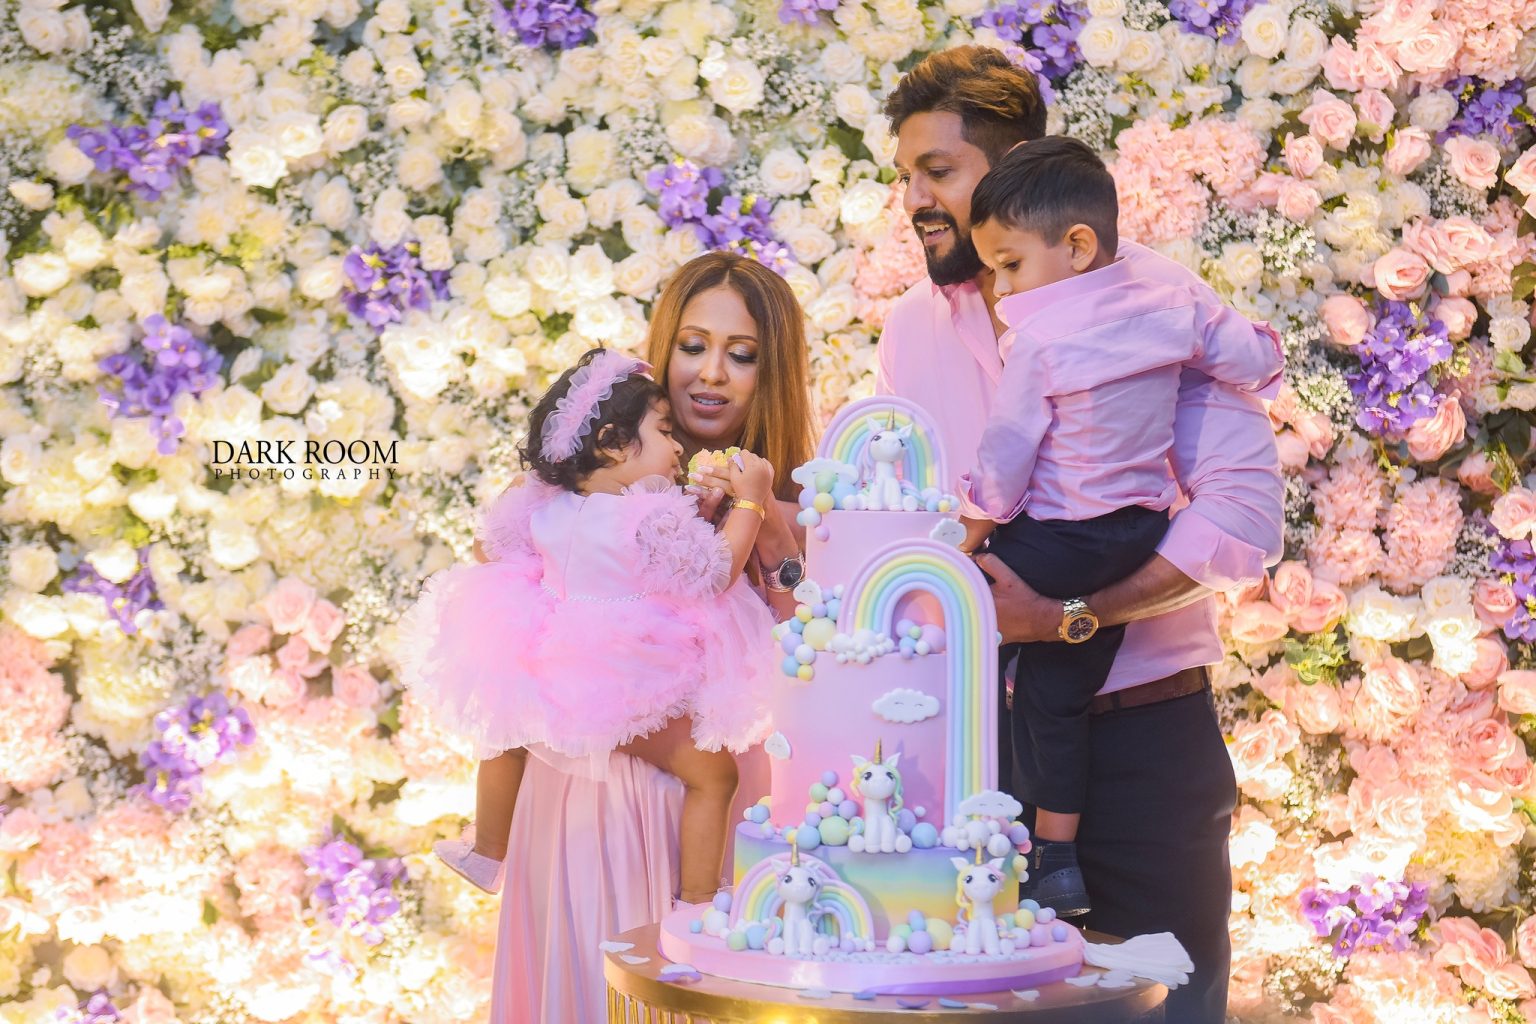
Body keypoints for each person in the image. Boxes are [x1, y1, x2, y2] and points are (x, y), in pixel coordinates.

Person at [878, 45, 1283, 1024]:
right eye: (906, 177)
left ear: (1019, 168)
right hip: (978, 756)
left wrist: (1072, 611)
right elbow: (912, 523)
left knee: (1168, 1008)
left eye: (938, 172)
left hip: (1143, 743)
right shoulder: (910, 333)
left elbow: (1241, 518)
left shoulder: (1154, 302)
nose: (915, 200)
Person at [955, 137, 1283, 918]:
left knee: (978, 624)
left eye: (1009, 266)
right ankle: (1056, 858)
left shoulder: (1038, 340)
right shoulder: (1173, 305)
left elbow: (1005, 459)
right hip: (1134, 534)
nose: (1002, 291)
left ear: (1075, 245)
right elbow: (1254, 361)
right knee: (1057, 687)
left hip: (1068, 551)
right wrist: (1260, 355)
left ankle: (1043, 854)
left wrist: (966, 535)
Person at [491, 253, 816, 1023]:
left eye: (742, 355)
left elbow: (811, 651)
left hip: (728, 786)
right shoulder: (587, 486)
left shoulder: (794, 500)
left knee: (709, 983)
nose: (712, 373)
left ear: (771, 373)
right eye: (693, 346)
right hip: (591, 786)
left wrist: (767, 525)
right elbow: (517, 609)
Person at [399, 347, 778, 906]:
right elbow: (714, 573)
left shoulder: (548, 510)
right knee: (715, 776)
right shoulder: (647, 515)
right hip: (628, 685)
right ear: (613, 443)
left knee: (506, 732)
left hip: (552, 677)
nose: (678, 447)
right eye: (664, 432)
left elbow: (489, 549)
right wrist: (750, 504)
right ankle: (697, 902)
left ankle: (487, 849)